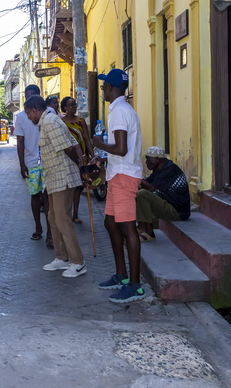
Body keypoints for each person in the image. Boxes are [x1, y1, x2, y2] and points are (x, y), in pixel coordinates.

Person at [92, 68, 145, 303]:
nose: (102, 89)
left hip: (124, 175)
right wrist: (103, 157)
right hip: (117, 173)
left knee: (127, 228)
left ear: (112, 89)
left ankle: (135, 286)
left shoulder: (120, 111)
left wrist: (98, 144)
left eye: (104, 86)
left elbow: (121, 148)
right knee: (111, 223)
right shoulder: (120, 109)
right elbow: (121, 149)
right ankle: (121, 275)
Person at [25, 95, 88, 278]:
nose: (29, 117)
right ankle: (62, 258)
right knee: (53, 217)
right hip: (53, 177)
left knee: (62, 219)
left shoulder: (51, 121)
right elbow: (73, 141)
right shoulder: (49, 121)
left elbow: (69, 148)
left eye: (29, 113)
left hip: (63, 177)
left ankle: (78, 262)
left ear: (35, 110)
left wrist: (81, 168)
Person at [15, 84, 51, 245]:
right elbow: (20, 141)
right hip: (31, 162)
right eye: (26, 96)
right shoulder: (22, 117)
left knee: (49, 197)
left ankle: (51, 231)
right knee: (35, 196)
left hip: (49, 160)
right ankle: (38, 228)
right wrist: (22, 165)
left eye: (32, 96)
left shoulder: (50, 113)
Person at [137, 146, 191, 242]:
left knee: (143, 194)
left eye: (148, 159)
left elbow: (150, 188)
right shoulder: (159, 169)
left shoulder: (169, 169)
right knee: (137, 189)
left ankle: (150, 233)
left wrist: (136, 178)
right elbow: (147, 182)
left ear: (157, 159)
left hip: (178, 211)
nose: (146, 162)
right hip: (168, 204)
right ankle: (141, 226)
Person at [61, 96, 93, 224]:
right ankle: (67, 213)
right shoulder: (61, 123)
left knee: (79, 186)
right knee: (70, 187)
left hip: (82, 157)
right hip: (68, 158)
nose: (74, 107)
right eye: (71, 105)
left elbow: (86, 139)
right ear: (65, 108)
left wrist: (92, 154)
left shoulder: (81, 121)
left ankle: (75, 214)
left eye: (75, 104)